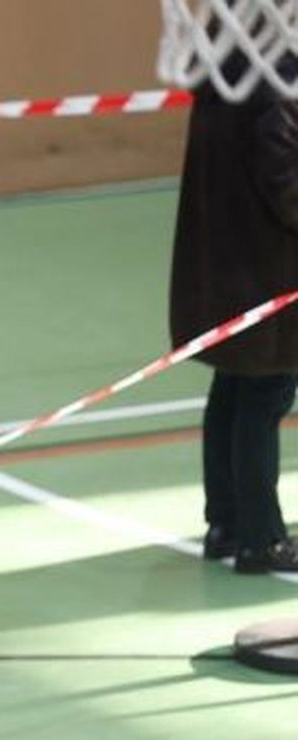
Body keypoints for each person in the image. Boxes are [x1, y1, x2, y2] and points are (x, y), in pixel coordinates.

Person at [170, 59, 298, 573]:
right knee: (264, 397)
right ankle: (260, 538)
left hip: (229, 266)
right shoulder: (278, 80)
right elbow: (285, 177)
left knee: (235, 391)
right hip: (268, 269)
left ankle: (225, 523)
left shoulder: (225, 70)